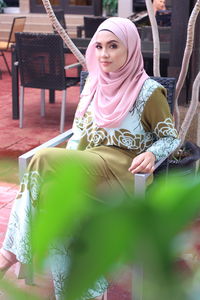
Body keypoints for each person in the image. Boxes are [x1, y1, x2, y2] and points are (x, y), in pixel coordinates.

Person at [0, 17, 180, 300]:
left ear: (131, 49)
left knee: (40, 159)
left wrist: (151, 152)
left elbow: (171, 138)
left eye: (113, 46)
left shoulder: (148, 92)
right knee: (50, 193)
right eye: (98, 46)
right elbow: (78, 135)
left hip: (124, 173)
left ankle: (8, 256)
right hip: (91, 167)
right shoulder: (94, 85)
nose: (104, 54)